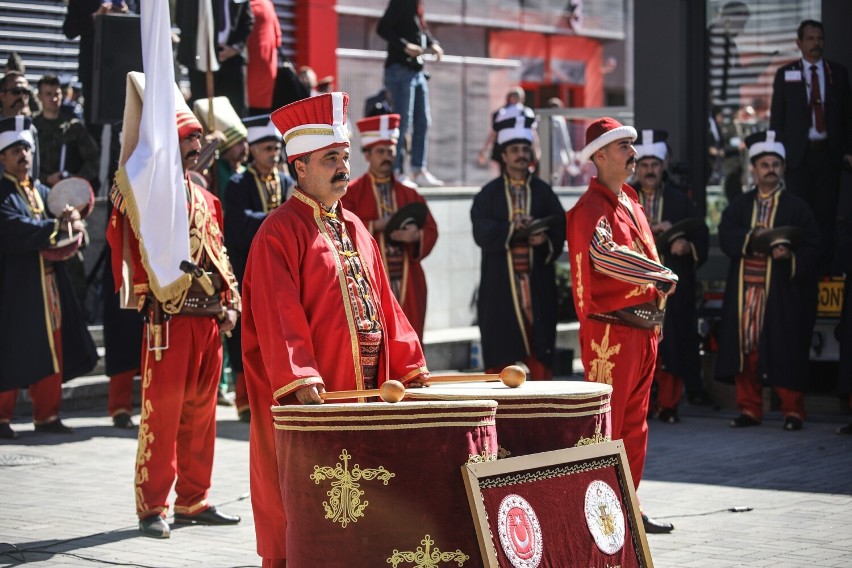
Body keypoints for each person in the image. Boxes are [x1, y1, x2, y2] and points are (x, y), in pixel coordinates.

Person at [241, 92, 430, 567]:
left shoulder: (356, 227)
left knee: (367, 513)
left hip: (367, 392)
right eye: (331, 159)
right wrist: (303, 381)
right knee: (306, 511)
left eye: (345, 157)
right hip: (317, 398)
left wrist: (409, 367)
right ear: (300, 167)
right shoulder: (279, 233)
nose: (342, 167)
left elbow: (387, 308)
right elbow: (276, 316)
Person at [107, 108, 242, 539]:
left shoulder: (207, 199)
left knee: (202, 418)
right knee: (161, 417)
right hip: (170, 322)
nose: (198, 145)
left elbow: (220, 255)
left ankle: (193, 499)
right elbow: (122, 215)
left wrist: (231, 300)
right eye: (189, 137)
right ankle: (152, 507)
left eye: (200, 138)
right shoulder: (151, 195)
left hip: (209, 322)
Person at [565, 117, 678, 534]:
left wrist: (657, 296)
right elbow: (604, 256)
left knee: (636, 424)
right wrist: (658, 273)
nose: (633, 154)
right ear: (600, 156)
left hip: (643, 330)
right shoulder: (589, 209)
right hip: (611, 333)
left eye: (632, 145)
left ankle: (628, 505)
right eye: (623, 147)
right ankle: (599, 511)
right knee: (608, 425)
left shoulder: (629, 200)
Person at [0, 116, 98, 439]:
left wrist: (71, 216)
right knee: (9, 349)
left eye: (26, 148)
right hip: (13, 288)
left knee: (52, 347)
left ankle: (47, 414)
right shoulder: (3, 192)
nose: (23, 155)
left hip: (47, 286)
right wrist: (55, 228)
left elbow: (61, 208)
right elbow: (13, 227)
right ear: (2, 157)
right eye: (15, 150)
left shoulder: (40, 189)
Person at [715, 130, 820, 432]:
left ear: (783, 168)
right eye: (764, 164)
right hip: (745, 291)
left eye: (776, 163)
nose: (770, 168)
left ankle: (793, 411)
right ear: (754, 168)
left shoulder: (797, 207)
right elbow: (725, 235)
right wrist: (754, 240)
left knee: (785, 348)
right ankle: (749, 409)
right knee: (747, 350)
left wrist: (790, 255)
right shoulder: (740, 204)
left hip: (781, 294)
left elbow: (814, 244)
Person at [471, 109, 565, 380]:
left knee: (540, 340)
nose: (521, 154)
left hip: (537, 282)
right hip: (500, 284)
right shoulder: (487, 194)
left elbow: (559, 225)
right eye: (514, 149)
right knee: (500, 341)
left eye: (525, 148)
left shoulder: (544, 191)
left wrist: (543, 238)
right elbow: (481, 231)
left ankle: (542, 408)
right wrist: (513, 229)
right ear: (503, 154)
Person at [630, 129, 710, 422]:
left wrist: (685, 245)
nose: (650, 171)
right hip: (635, 286)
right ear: (636, 167)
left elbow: (700, 234)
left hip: (671, 287)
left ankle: (669, 405)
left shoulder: (680, 200)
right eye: (644, 165)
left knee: (673, 343)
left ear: (663, 166)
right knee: (639, 348)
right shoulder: (624, 198)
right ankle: (642, 406)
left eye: (654, 165)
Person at [342, 113, 438, 339]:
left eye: (391, 151)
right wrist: (376, 225)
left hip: (409, 282)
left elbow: (431, 229)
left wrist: (416, 236)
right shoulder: (352, 193)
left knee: (411, 340)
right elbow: (341, 228)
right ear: (367, 155)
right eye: (380, 152)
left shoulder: (410, 193)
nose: (387, 156)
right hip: (368, 284)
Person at [223, 114, 293, 422]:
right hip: (247, 268)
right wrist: (276, 216)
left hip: (285, 271)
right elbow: (236, 227)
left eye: (277, 148)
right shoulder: (238, 184)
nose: (274, 153)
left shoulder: (288, 180)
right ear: (252, 150)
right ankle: (244, 399)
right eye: (267, 148)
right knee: (246, 332)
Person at [769, 19, 852, 276]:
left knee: (827, 214)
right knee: (801, 213)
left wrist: (848, 150)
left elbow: (847, 116)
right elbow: (777, 119)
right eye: (811, 39)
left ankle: (825, 269)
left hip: (829, 153)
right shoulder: (786, 74)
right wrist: (777, 156)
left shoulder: (837, 73)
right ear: (799, 43)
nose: (816, 44)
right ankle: (803, 267)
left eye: (820, 39)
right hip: (797, 157)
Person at [377, 0, 444, 187]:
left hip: (417, 71)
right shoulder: (401, 2)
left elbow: (420, 31)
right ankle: (396, 171)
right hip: (400, 70)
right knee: (402, 122)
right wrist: (405, 45)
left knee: (423, 120)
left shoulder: (416, 6)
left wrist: (433, 43)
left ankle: (418, 169)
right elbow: (382, 28)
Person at [176, 0, 255, 118]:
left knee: (235, 112)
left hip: (233, 60)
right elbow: (181, 17)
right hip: (201, 58)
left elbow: (247, 20)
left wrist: (234, 48)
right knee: (203, 110)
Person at [32, 74, 100, 189]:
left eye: (57, 94)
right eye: (48, 94)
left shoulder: (73, 127)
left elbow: (93, 159)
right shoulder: (32, 126)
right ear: (39, 96)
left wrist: (75, 179)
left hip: (67, 191)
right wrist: (45, 178)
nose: (53, 98)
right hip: (38, 188)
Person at [193, 96, 249, 199]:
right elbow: (194, 169)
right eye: (239, 143)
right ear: (226, 147)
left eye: (246, 141)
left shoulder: (248, 170)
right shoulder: (215, 167)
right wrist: (212, 144)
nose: (245, 147)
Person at [0, 72, 40, 179]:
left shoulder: (30, 129)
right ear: (2, 94)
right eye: (16, 91)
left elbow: (34, 171)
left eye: (26, 92)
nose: (22, 96)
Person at [246, 0, 281, 116]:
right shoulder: (267, 4)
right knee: (260, 119)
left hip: (246, 69)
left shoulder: (244, 5)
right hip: (267, 72)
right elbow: (278, 38)